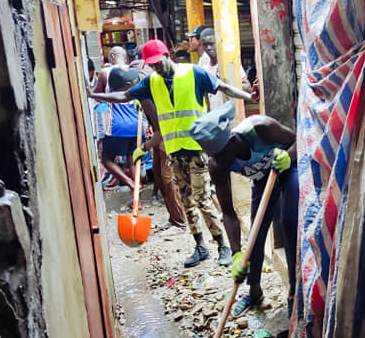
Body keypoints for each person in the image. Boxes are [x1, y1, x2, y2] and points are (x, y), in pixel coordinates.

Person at [88, 39, 253, 268]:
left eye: (159, 63)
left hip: (197, 147)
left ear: (168, 55)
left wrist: (248, 97)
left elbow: (223, 87)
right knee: (186, 200)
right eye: (152, 65)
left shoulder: (193, 73)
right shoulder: (151, 82)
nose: (156, 67)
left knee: (202, 199)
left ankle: (222, 246)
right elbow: (124, 96)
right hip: (174, 150)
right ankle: (200, 246)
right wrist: (94, 96)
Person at [189, 101, 298, 318]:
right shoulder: (217, 164)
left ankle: (295, 295)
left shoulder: (261, 128)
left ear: (232, 141)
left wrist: (289, 157)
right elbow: (228, 213)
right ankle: (254, 292)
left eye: (221, 155)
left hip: (288, 167)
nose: (218, 161)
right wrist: (236, 253)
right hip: (262, 180)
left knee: (290, 222)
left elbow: (299, 140)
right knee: (255, 236)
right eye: (214, 157)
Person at [199, 28, 253, 109]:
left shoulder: (230, 65)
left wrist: (226, 83)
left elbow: (248, 89)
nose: (208, 48)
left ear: (218, 43)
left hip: (231, 114)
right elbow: (207, 98)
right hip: (215, 114)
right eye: (205, 45)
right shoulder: (204, 70)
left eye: (211, 44)